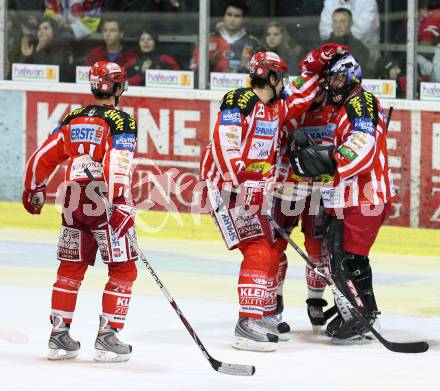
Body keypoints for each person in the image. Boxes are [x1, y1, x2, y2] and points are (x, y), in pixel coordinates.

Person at [199, 46, 346, 351]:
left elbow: (301, 97)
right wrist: (240, 182)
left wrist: (319, 64)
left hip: (250, 195)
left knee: (269, 249)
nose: (284, 84)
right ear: (272, 76)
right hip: (226, 192)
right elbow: (225, 145)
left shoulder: (275, 109)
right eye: (281, 78)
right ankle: (246, 322)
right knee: (258, 251)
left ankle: (263, 312)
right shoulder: (239, 99)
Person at [22, 61, 139, 362]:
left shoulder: (73, 117)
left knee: (71, 268)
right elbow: (118, 164)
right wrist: (120, 202)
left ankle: (59, 335)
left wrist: (33, 188)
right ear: (118, 88)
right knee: (124, 269)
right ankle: (108, 336)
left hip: (74, 198)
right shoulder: (121, 121)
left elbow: (43, 156)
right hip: (105, 198)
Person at [289, 52, 395, 344]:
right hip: (351, 194)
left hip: (366, 194)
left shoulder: (361, 101)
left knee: (348, 257)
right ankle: (361, 307)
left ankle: (363, 314)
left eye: (336, 78)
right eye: (329, 79)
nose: (331, 85)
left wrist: (331, 160)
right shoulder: (347, 104)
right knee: (343, 255)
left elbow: (363, 143)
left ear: (351, 78)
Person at [273, 86, 336, 332]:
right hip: (287, 187)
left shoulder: (334, 111)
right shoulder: (290, 105)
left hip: (319, 188)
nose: (316, 94)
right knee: (275, 246)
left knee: (316, 248)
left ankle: (315, 301)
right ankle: (272, 300)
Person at [190, 0, 260, 73]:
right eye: (229, 15)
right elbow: (193, 68)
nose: (232, 19)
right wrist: (210, 63)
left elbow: (261, 72)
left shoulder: (252, 42)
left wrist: (247, 68)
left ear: (244, 19)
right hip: (212, 83)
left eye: (237, 16)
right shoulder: (209, 39)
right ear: (223, 17)